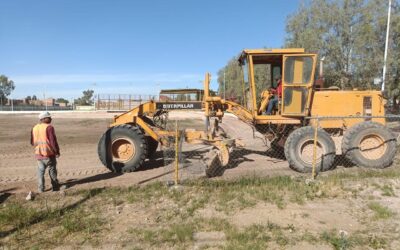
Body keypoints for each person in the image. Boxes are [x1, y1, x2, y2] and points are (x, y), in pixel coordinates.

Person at [31, 111, 60, 192]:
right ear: (43, 119)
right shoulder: (49, 127)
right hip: (49, 154)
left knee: (40, 172)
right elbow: (53, 141)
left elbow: (32, 142)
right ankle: (55, 187)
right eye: (49, 117)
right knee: (52, 170)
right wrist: (57, 152)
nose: (51, 118)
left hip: (39, 154)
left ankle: (41, 189)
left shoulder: (35, 127)